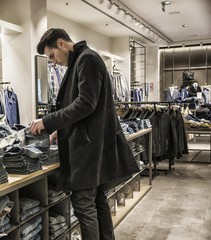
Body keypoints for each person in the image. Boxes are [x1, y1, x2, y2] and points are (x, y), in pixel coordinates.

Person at [29, 28, 140, 240]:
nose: (53, 62)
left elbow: (85, 103)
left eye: (52, 56)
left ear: (61, 43)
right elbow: (84, 104)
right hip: (92, 145)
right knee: (97, 202)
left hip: (88, 149)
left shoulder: (87, 59)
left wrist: (47, 121)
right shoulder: (83, 59)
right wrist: (60, 128)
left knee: (83, 206)